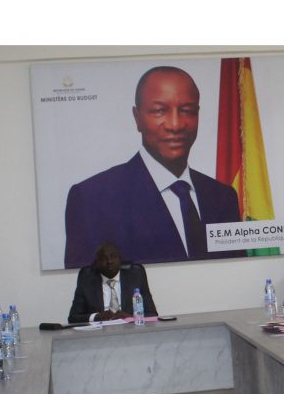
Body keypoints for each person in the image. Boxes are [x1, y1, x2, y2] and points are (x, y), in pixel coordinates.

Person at [64, 66, 247, 267]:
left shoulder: (223, 197)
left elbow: (235, 271)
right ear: (137, 118)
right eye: (159, 111)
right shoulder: (93, 199)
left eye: (187, 111)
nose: (175, 125)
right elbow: (87, 282)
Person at [67, 241, 163, 394]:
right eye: (103, 258)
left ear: (120, 259)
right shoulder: (87, 280)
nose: (109, 262)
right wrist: (96, 316)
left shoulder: (135, 276)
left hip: (132, 342)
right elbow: (73, 317)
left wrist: (130, 316)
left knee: (144, 361)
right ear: (96, 263)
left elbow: (152, 313)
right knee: (90, 365)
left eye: (113, 257)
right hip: (98, 344)